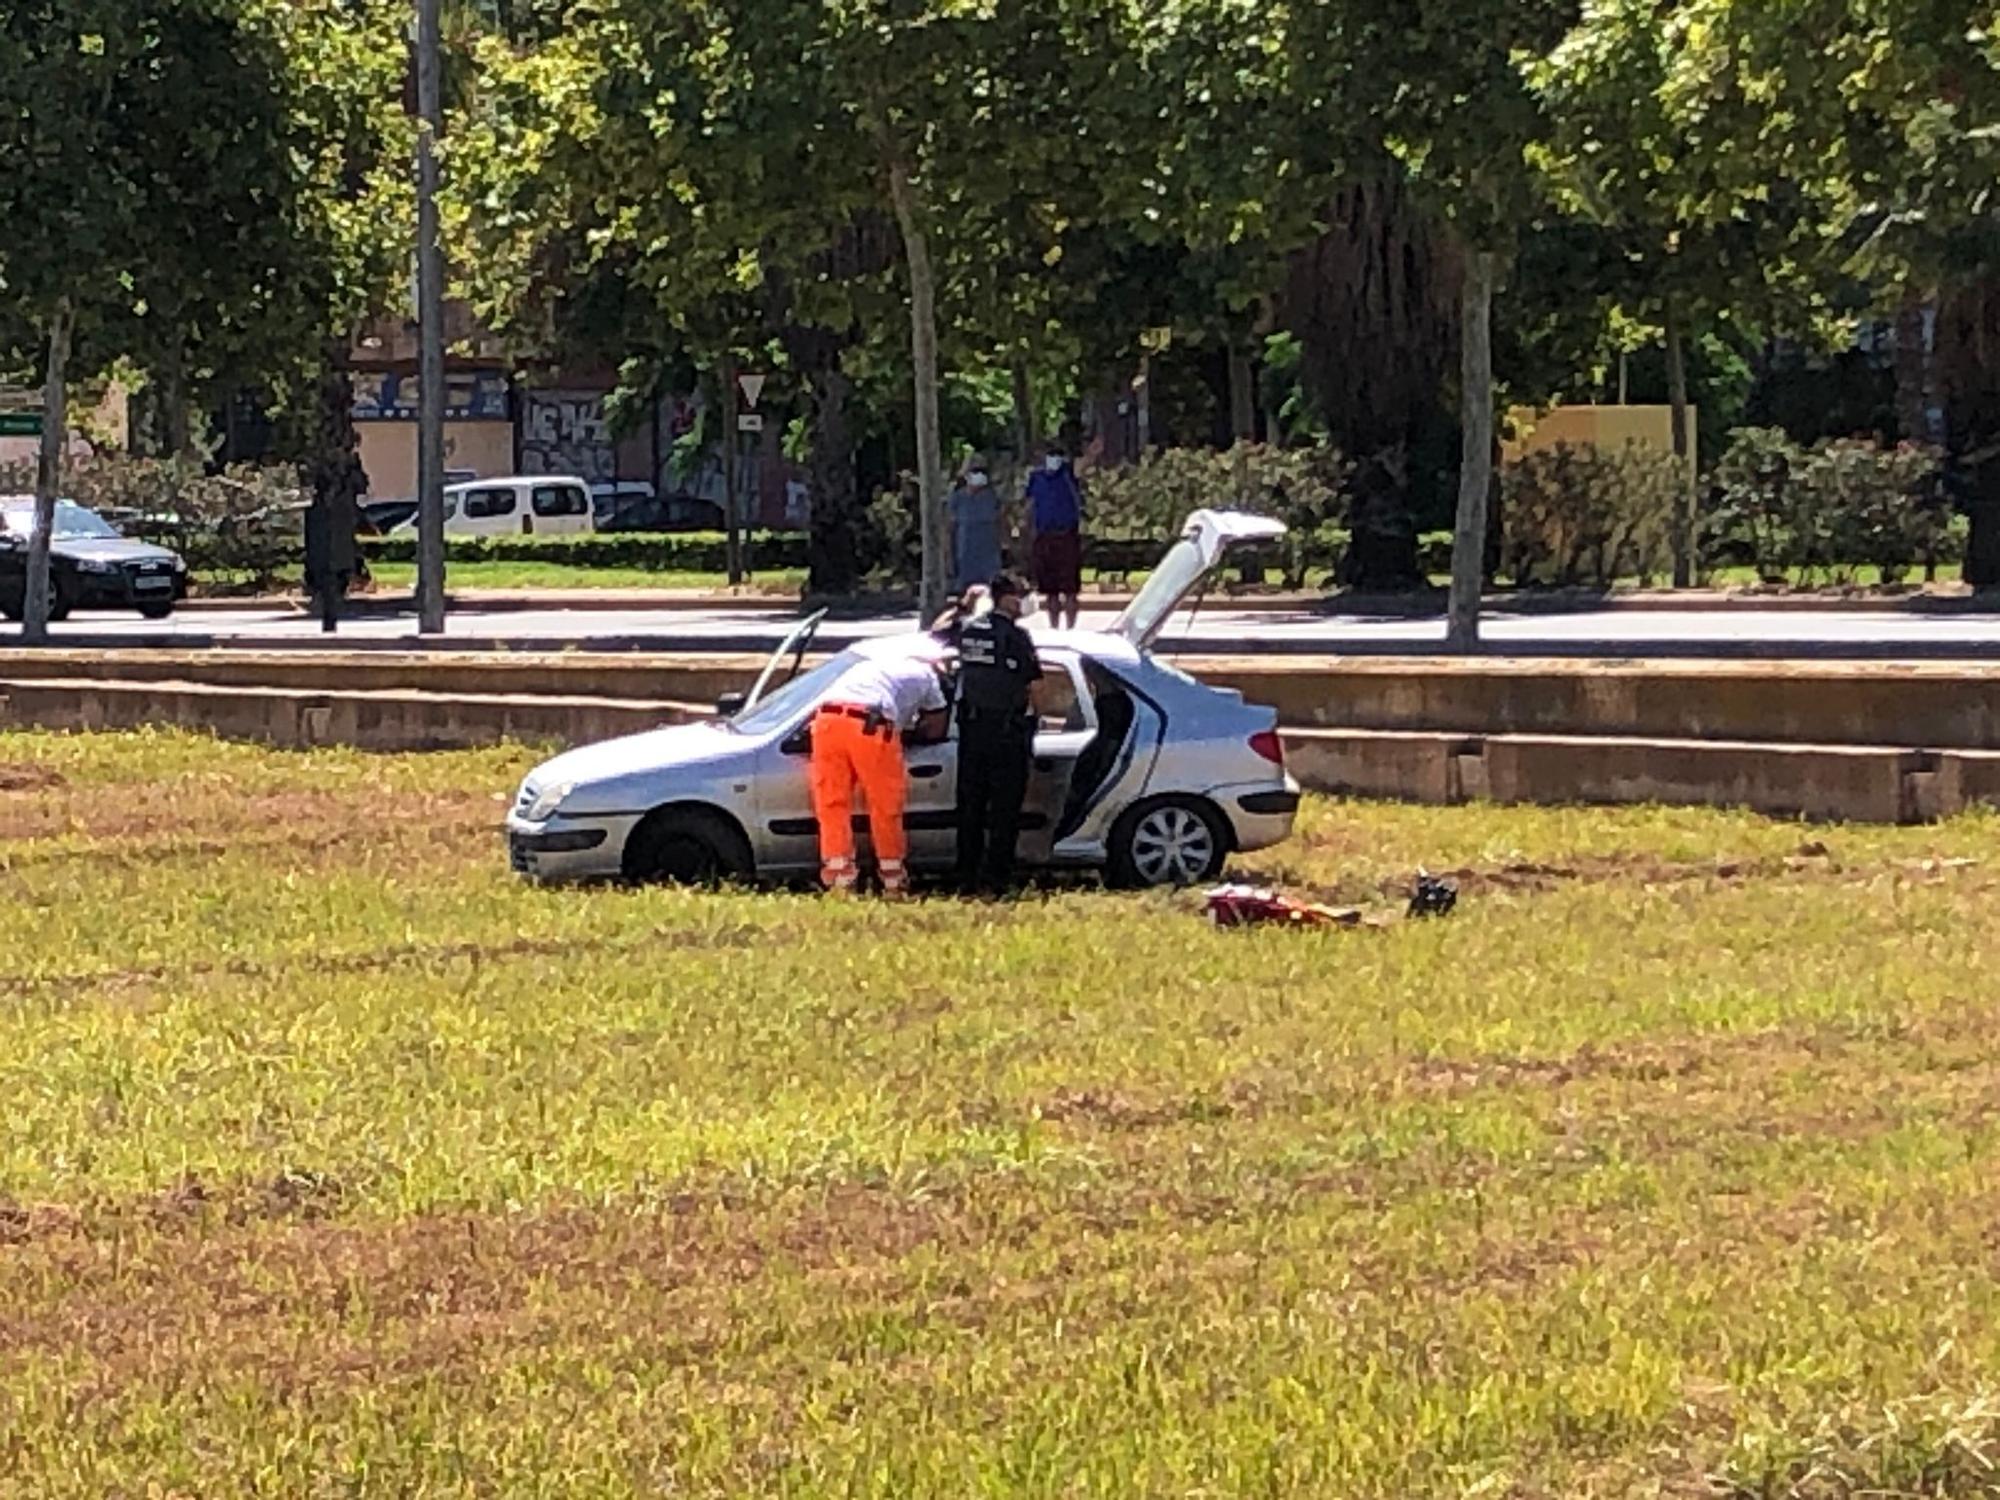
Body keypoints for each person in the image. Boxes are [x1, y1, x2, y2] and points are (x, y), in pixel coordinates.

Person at [810, 651, 952, 896]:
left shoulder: (874, 664)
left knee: (832, 804)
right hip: (870, 726)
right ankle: (893, 880)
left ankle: (839, 880)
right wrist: (912, 734)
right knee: (885, 806)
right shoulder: (929, 677)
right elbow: (936, 728)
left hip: (826, 721)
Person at [954, 572, 1043, 894]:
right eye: (1021, 594)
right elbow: (1034, 685)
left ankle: (966, 877)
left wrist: (965, 605)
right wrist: (1040, 721)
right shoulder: (1016, 638)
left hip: (972, 732)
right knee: (1005, 810)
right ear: (1006, 598)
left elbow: (938, 632)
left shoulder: (967, 630)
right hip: (1007, 734)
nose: (1025, 601)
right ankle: (997, 879)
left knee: (971, 807)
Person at [1026, 445, 1084, 630]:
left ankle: (1071, 629)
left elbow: (1086, 462)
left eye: (1058, 455)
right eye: (1051, 455)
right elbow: (1030, 504)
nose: (1055, 459)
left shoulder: (1068, 475)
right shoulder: (1036, 478)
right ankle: (1054, 628)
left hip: (1067, 535)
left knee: (1070, 590)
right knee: (1050, 591)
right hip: (1044, 536)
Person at [948, 459, 1004, 595]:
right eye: (975, 472)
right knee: (966, 588)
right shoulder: (958, 497)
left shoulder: (992, 496)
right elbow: (950, 526)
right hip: (965, 548)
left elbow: (1001, 521)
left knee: (990, 585)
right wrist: (947, 555)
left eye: (982, 472)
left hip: (989, 550)